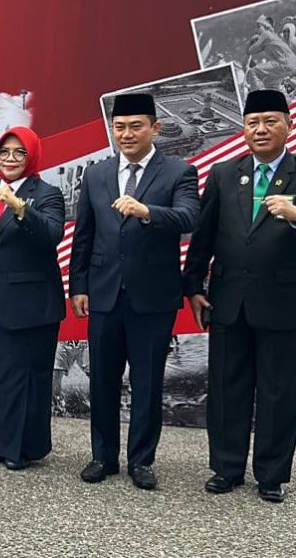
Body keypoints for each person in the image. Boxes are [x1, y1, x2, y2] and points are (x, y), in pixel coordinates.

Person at [183, 89, 296, 504]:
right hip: (228, 300)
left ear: (288, 126)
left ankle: (271, 475)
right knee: (226, 387)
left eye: (270, 121)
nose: (261, 129)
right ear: (244, 128)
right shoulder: (222, 173)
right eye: (253, 122)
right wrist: (194, 288)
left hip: (285, 303)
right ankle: (227, 468)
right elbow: (202, 237)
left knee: (279, 392)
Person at [68, 92, 198, 489]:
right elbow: (84, 236)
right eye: (120, 127)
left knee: (147, 381)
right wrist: (79, 286)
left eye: (136, 126)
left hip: (152, 297)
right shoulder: (97, 174)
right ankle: (102, 457)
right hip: (105, 295)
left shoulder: (178, 171)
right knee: (102, 380)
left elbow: (190, 216)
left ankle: (141, 460)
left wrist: (148, 212)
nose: (127, 134)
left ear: (155, 128)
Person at [0, 126, 65, 470]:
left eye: (19, 153)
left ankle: (25, 448)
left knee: (28, 378)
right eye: (5, 153)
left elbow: (51, 236)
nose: (11, 159)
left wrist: (20, 208)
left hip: (31, 306)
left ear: (31, 156)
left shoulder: (47, 193)